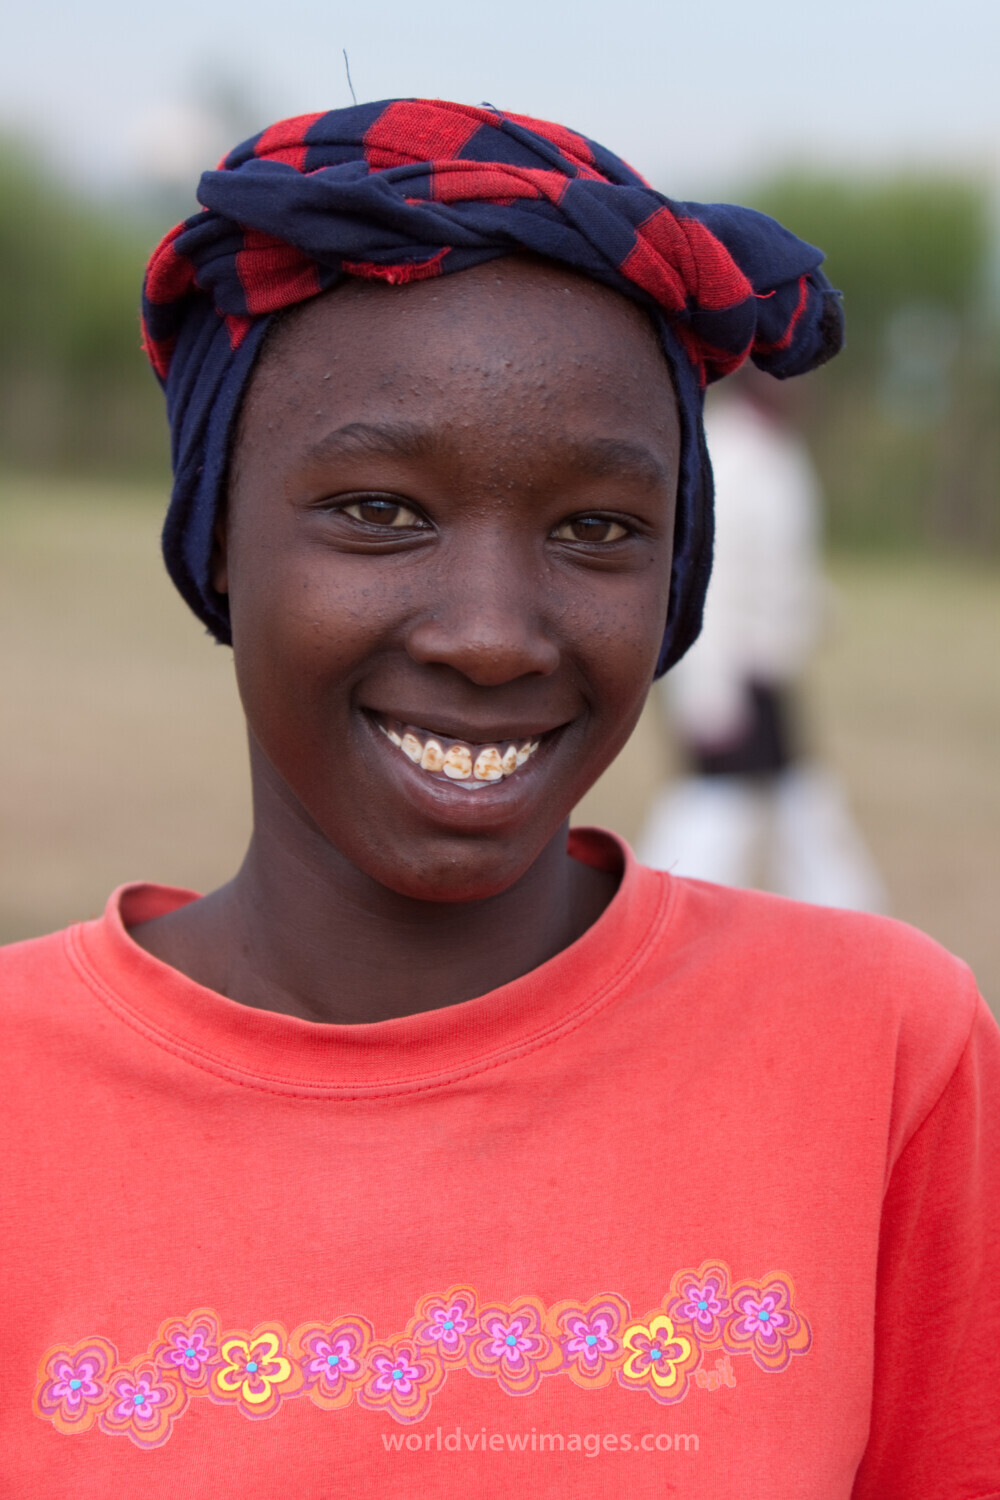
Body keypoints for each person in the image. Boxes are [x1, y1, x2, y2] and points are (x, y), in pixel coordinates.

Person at [3, 100, 998, 1497]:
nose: (489, 632)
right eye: (379, 510)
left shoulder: (886, 1052)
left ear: (679, 580)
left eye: (598, 530)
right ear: (217, 530)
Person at [638, 366, 888, 910]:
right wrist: (706, 692)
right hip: (727, 674)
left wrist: (810, 609)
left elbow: (778, 567)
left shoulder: (780, 453)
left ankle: (851, 915)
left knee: (802, 803)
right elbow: (708, 581)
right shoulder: (727, 455)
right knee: (715, 809)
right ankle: (657, 910)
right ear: (756, 380)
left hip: (769, 669)